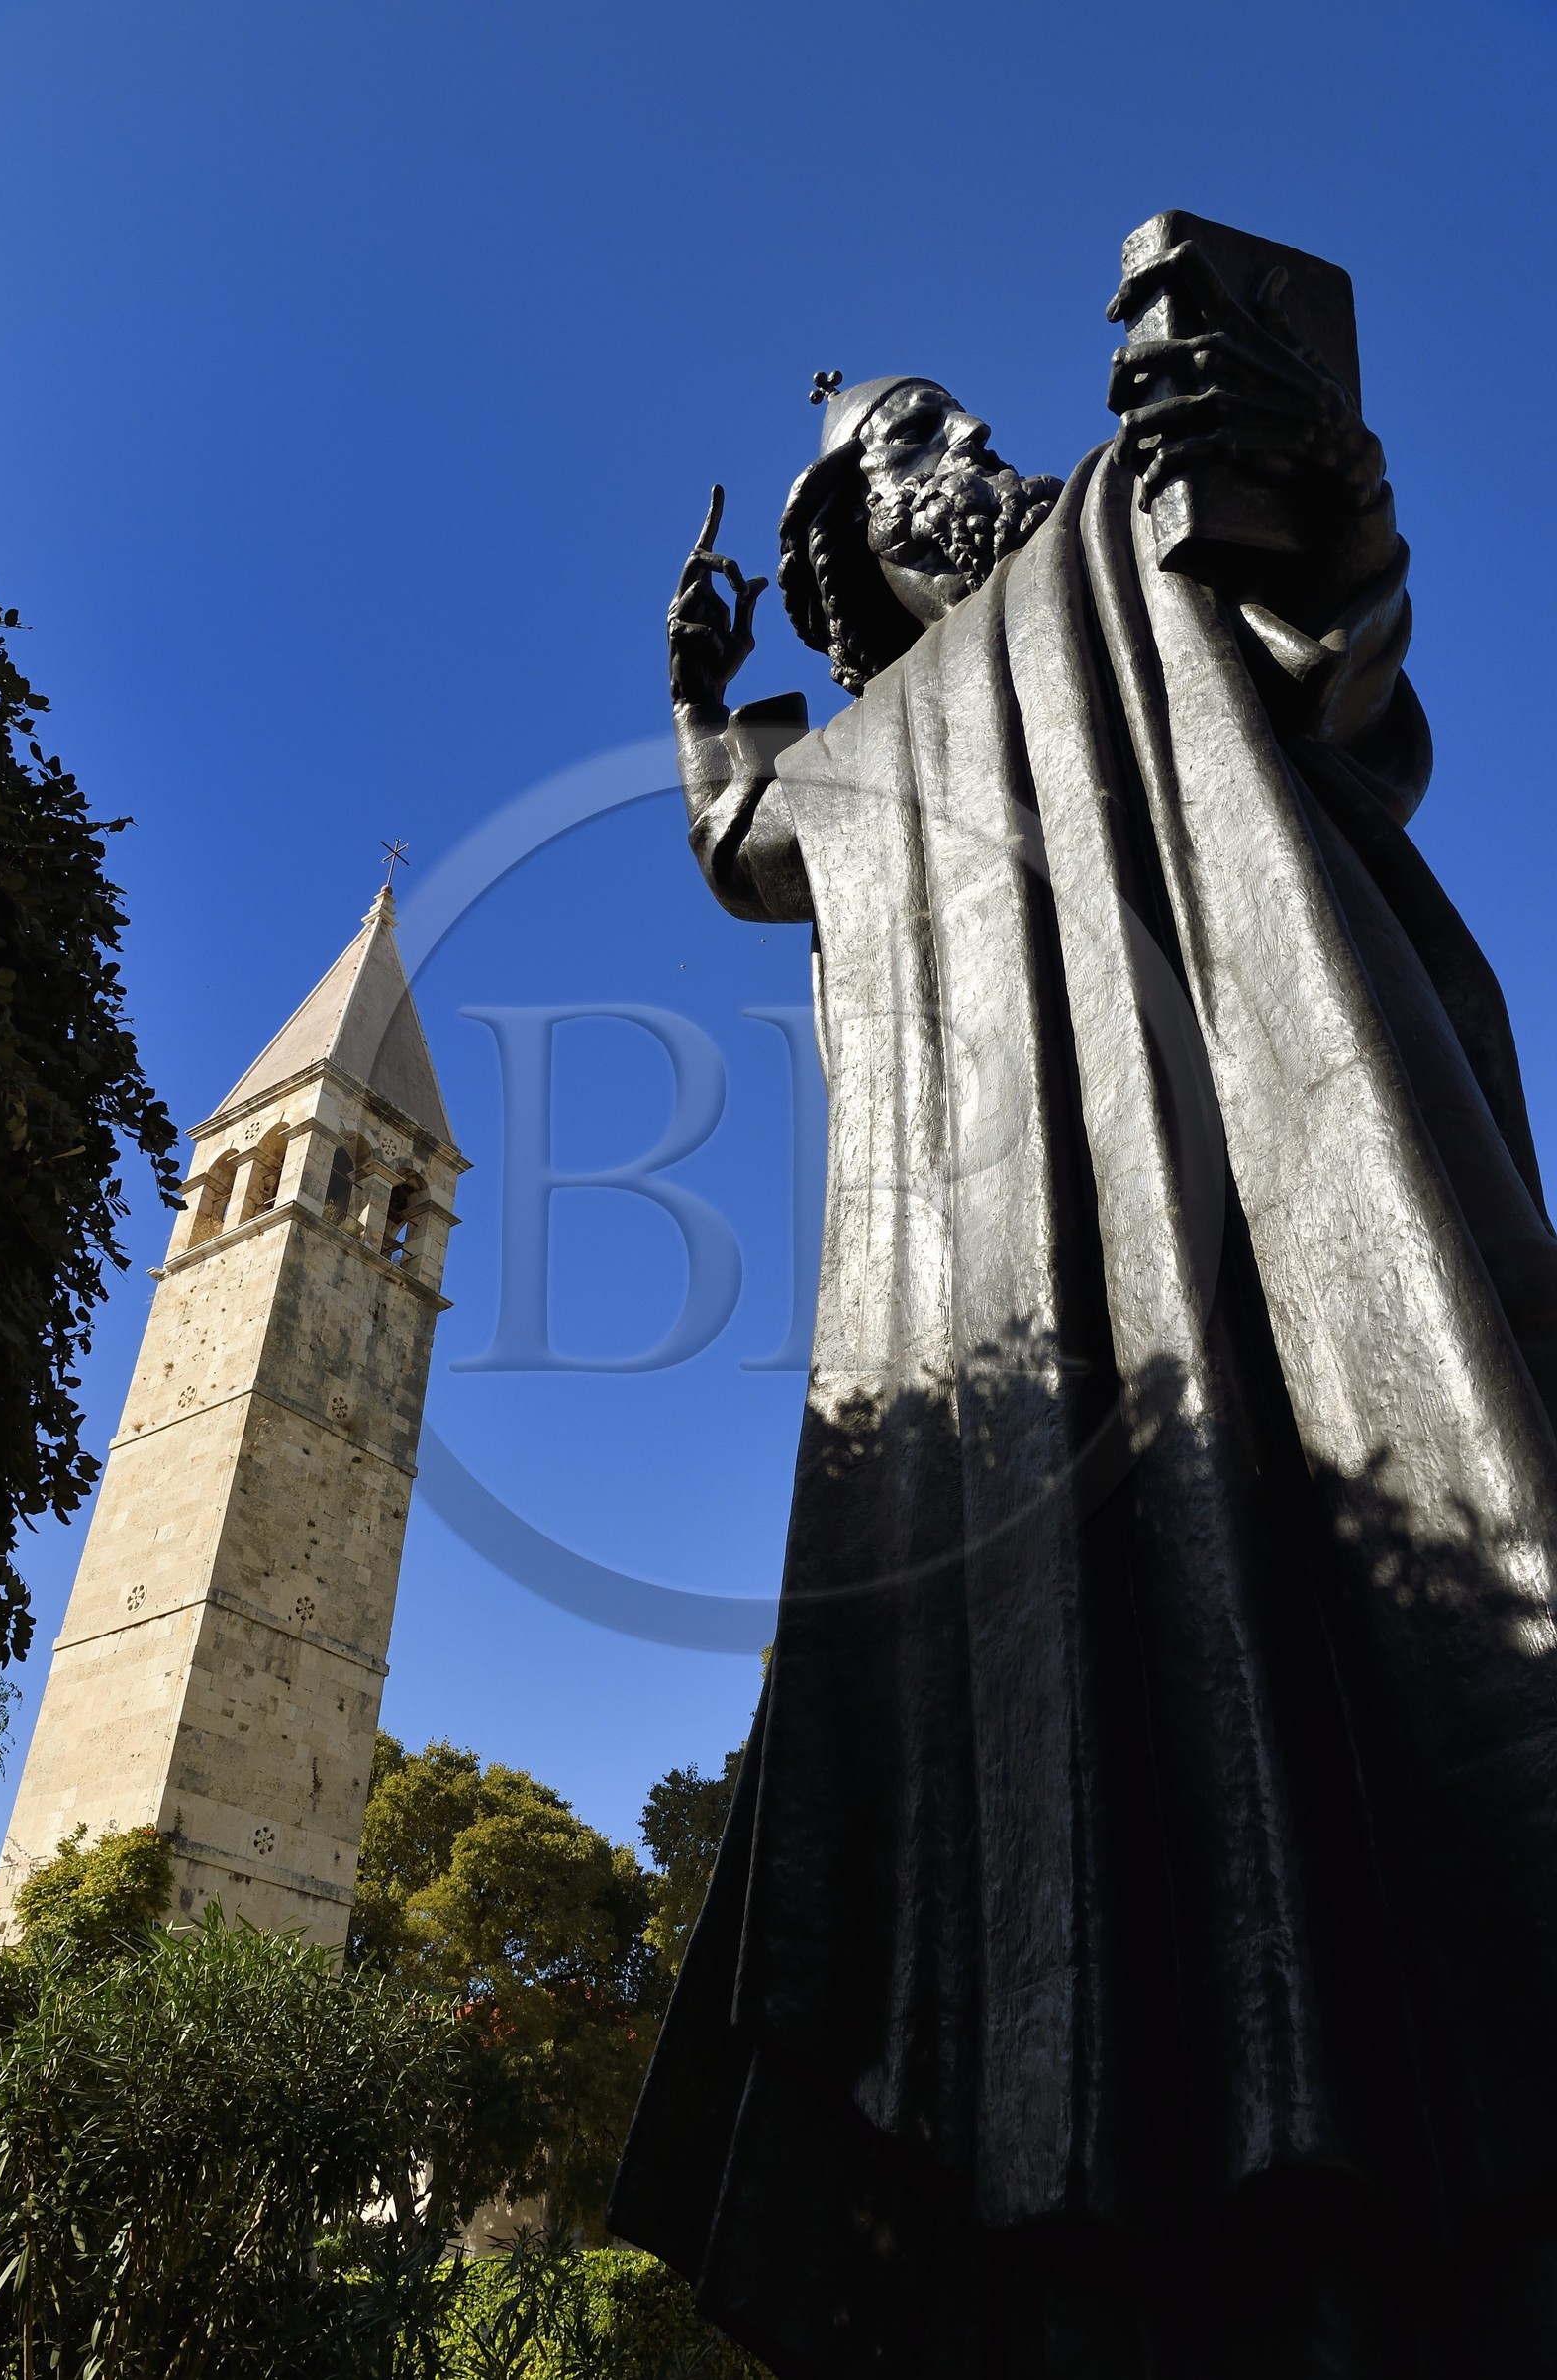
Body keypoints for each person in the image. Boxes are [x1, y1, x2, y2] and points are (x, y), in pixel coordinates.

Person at [609, 226, 1557, 2378]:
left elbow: (1315, 622)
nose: (959, 455)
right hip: (1011, 1297)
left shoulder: (1126, 534)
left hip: (1266, 1163)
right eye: (905, 453)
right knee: (1059, 1744)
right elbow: (747, 841)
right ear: (849, 555)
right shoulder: (858, 765)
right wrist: (690, 692)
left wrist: (1300, 452)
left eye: (958, 423)